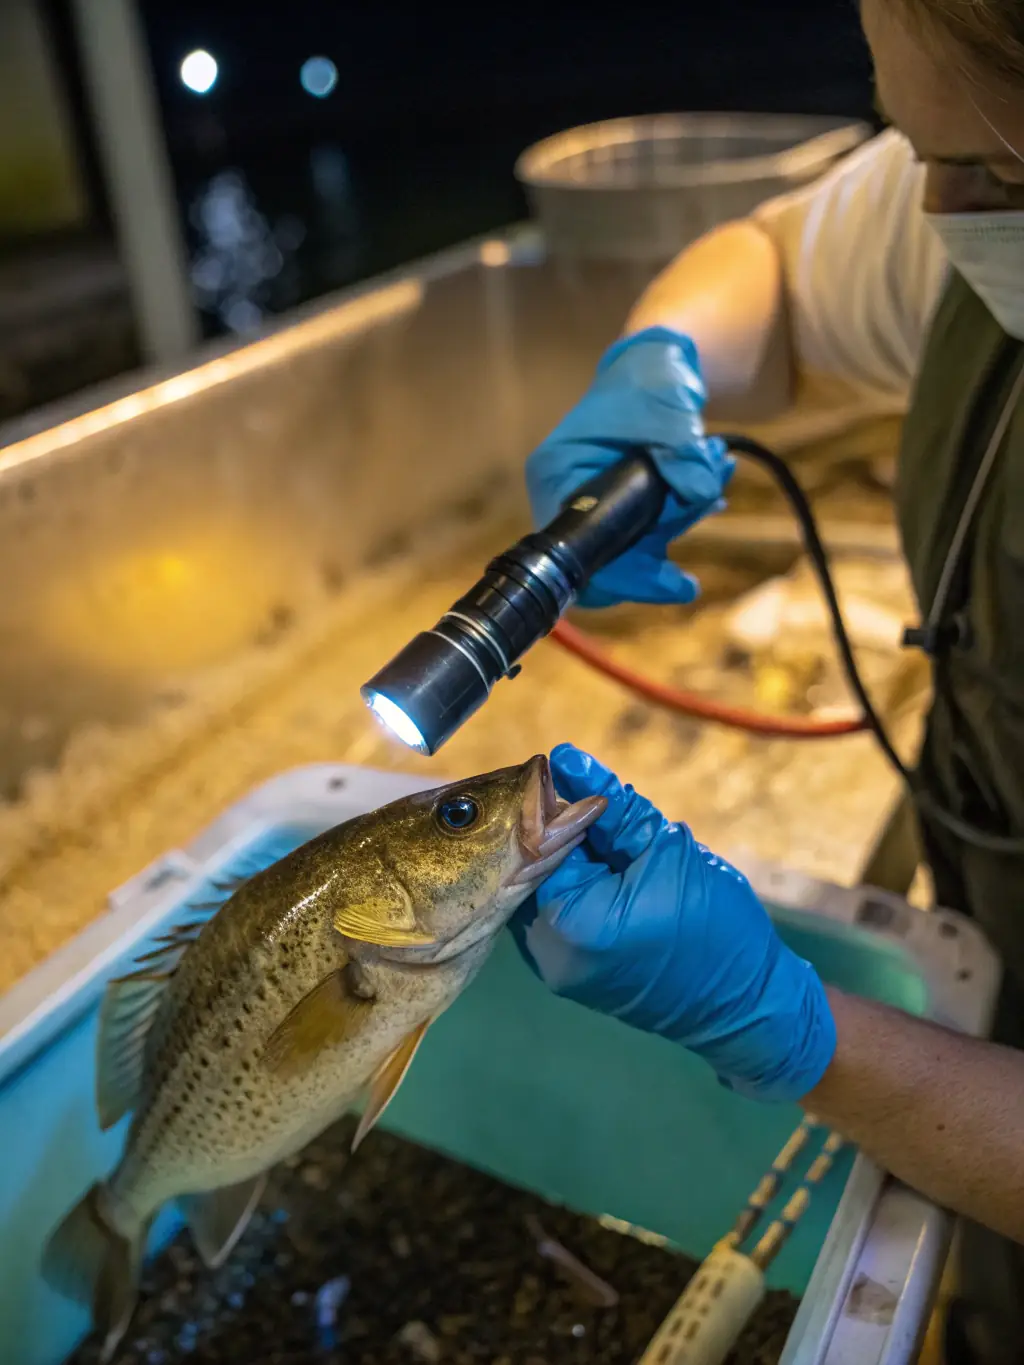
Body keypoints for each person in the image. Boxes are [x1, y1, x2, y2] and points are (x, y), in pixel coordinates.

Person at [513, 3, 1024, 1362]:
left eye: (1004, 176)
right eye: (916, 141)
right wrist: (663, 363)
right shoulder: (968, 186)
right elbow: (780, 268)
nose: (939, 209)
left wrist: (797, 1026)